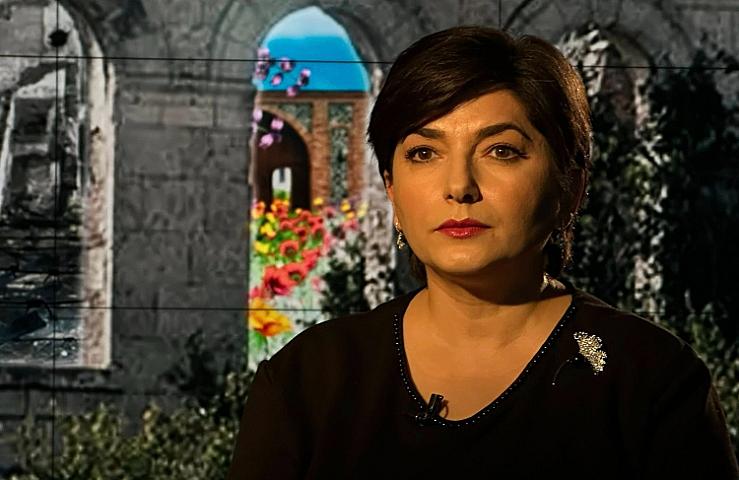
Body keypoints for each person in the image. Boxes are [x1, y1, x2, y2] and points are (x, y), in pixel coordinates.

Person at [227, 26, 738, 479]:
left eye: (501, 151)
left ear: (570, 184)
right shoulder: (307, 382)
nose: (459, 186)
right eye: (424, 153)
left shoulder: (651, 382)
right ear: (391, 189)